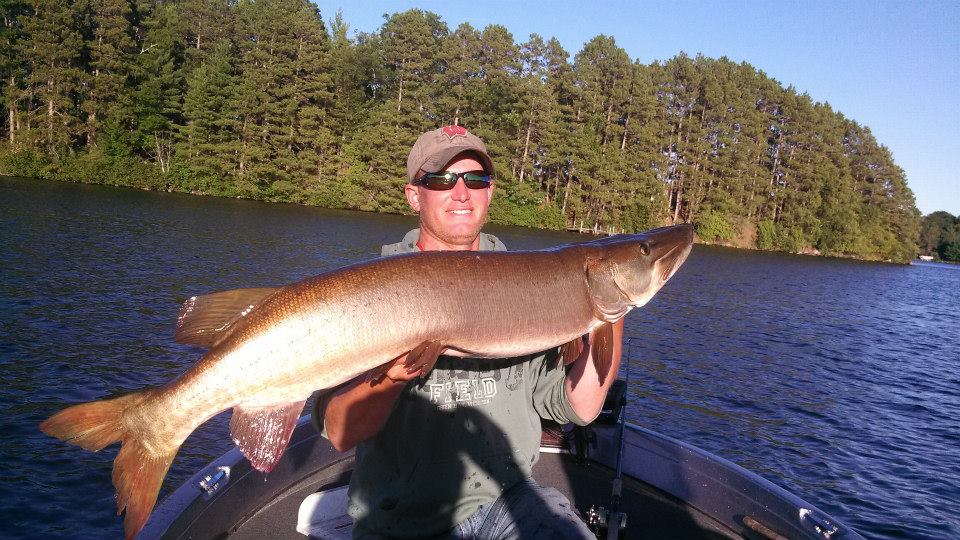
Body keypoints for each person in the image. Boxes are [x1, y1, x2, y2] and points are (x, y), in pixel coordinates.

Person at [316, 125, 623, 539]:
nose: (462, 193)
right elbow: (340, 431)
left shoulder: (529, 286)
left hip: (508, 501)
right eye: (442, 179)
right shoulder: (372, 293)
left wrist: (611, 308)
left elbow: (580, 408)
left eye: (475, 180)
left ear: (490, 192)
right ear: (414, 196)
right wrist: (391, 377)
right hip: (401, 519)